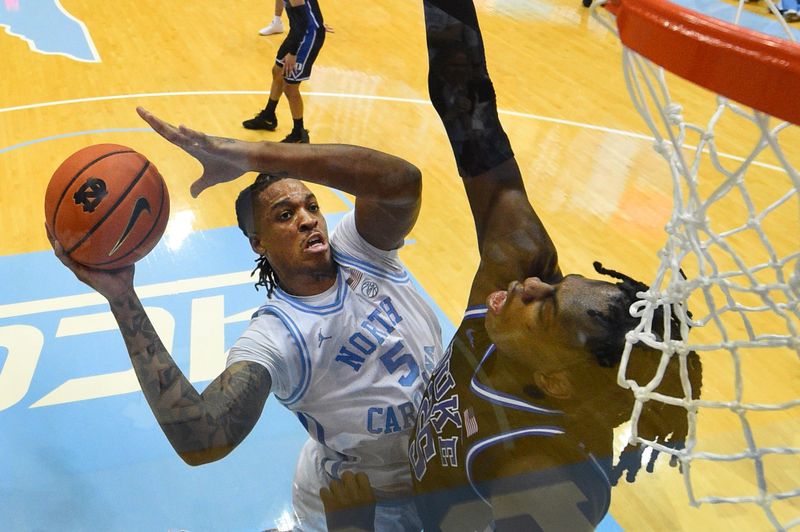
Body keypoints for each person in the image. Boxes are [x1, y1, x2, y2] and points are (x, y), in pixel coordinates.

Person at [320, 1, 703, 530]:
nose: (529, 284)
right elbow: (465, 104)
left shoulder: (546, 480)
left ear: (557, 383)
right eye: (554, 284)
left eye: (545, 310)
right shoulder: (516, 278)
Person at [47, 106, 442, 532]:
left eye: (311, 205)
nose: (308, 218)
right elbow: (203, 437)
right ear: (259, 242)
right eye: (285, 215)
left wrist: (257, 156)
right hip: (368, 506)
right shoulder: (276, 336)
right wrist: (123, 298)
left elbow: (403, 182)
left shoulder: (361, 249)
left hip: (451, 456)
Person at [243, 0, 326, 143]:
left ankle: (299, 133)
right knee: (277, 71)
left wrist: (293, 53)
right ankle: (269, 116)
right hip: (298, 32)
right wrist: (318, 21)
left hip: (307, 36)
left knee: (290, 86)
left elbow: (302, 20)